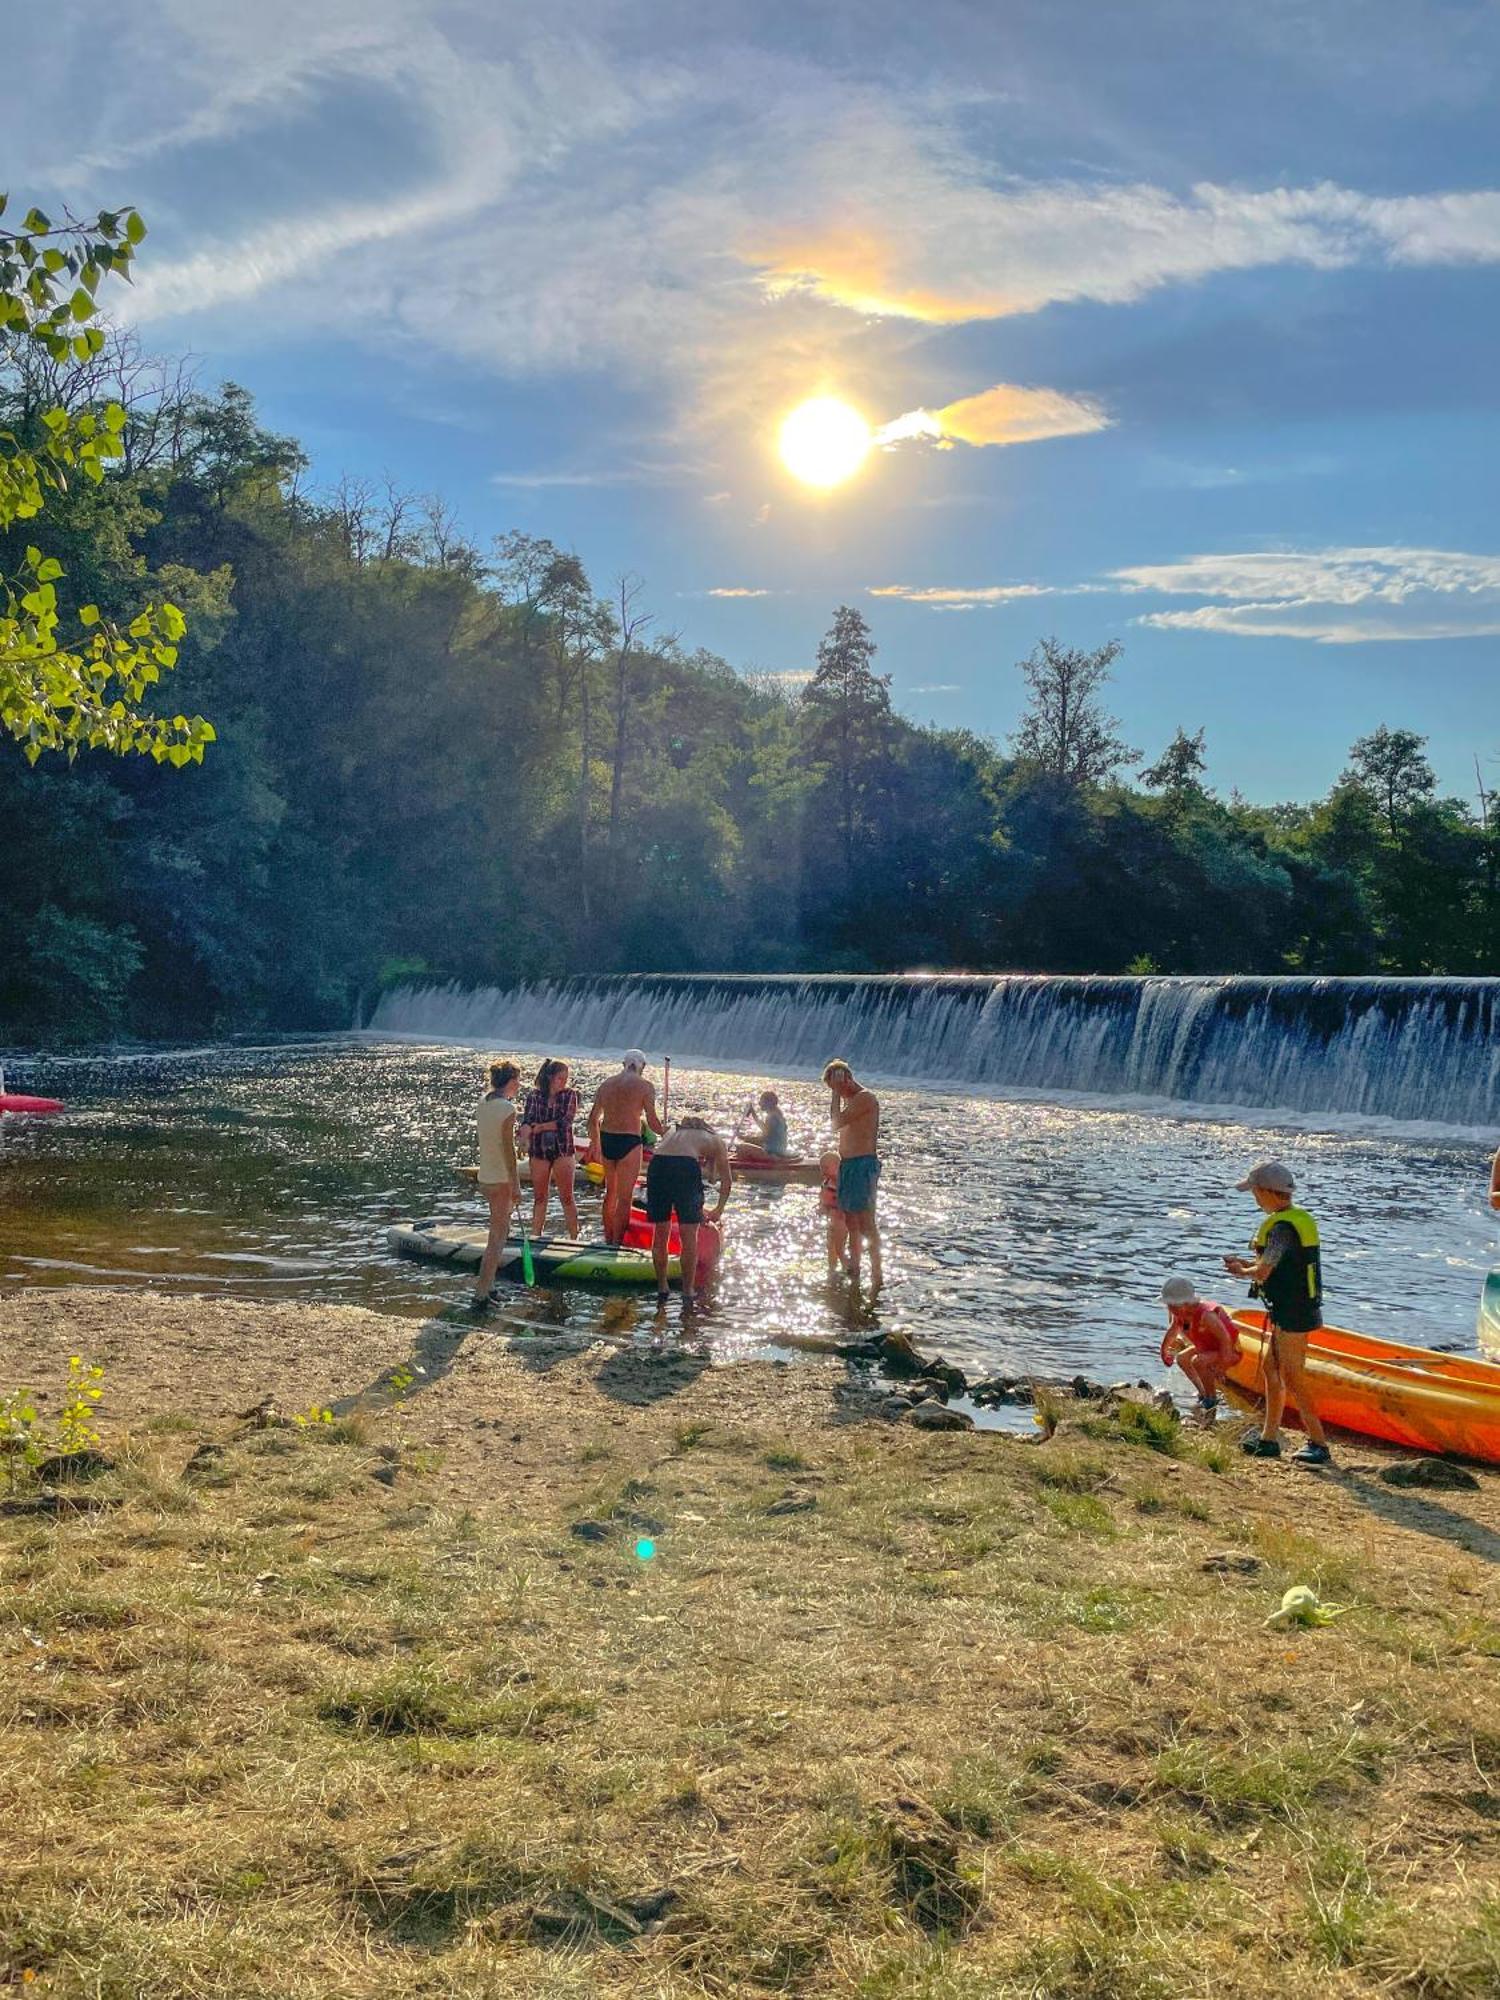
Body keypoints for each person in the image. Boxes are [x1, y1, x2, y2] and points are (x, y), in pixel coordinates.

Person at [1222, 1160, 1331, 1465]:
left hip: (1294, 1314)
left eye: (1254, 1192)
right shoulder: (1291, 1222)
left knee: (1294, 1376)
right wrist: (1246, 1267)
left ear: (1267, 1192)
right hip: (1291, 1309)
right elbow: (1271, 1266)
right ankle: (1269, 1439)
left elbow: (1265, 1271)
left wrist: (1242, 1271)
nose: (1254, 1199)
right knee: (1272, 1370)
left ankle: (1318, 1443)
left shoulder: (1282, 1228)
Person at [645, 1113, 731, 1305]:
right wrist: (719, 1209)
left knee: (661, 1232)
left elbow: (708, 1174)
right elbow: (726, 1181)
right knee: (689, 1234)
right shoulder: (716, 1141)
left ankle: (662, 1287)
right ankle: (687, 1290)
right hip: (684, 1167)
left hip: (657, 1164)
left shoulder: (673, 1131)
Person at [587, 1050, 663, 1246]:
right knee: (625, 1197)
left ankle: (607, 1237)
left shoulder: (606, 1085)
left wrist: (595, 1144)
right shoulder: (646, 1087)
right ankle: (617, 1242)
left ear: (623, 1064)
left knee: (610, 1192)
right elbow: (653, 1123)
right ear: (642, 1067)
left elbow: (593, 1119)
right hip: (629, 1141)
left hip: (607, 1139)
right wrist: (670, 1132)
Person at [824, 1059, 882, 1290]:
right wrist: (837, 1093)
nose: (837, 1093)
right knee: (850, 1219)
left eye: (837, 1086)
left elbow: (836, 1123)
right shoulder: (851, 1101)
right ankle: (855, 1267)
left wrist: (837, 1094)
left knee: (866, 1221)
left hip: (862, 1164)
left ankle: (877, 1272)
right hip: (848, 1165)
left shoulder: (865, 1098)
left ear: (846, 1078)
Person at [472, 1060, 523, 1306]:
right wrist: (515, 1184)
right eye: (517, 1081)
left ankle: (489, 1287)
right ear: (510, 1082)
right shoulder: (507, 1109)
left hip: (485, 1176)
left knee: (498, 1233)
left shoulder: (483, 1103)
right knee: (498, 1238)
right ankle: (482, 1293)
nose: (519, 1085)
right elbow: (508, 1150)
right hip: (501, 1178)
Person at [519, 1057, 581, 1240]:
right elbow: (528, 1119)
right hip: (539, 1149)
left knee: (567, 1197)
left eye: (566, 1078)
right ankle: (535, 1235)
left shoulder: (570, 1095)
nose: (564, 1082)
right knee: (540, 1196)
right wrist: (524, 1131)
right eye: (560, 1078)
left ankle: (574, 1236)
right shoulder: (534, 1096)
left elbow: (565, 1122)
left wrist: (540, 1127)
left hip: (563, 1148)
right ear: (550, 1078)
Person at [1158, 1277, 1240, 1411]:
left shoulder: (1206, 1315)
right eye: (1168, 1305)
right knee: (1182, 1358)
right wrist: (1164, 1350)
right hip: (1207, 1348)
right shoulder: (1180, 1314)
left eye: (1173, 1305)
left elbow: (1225, 1339)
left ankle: (1212, 1398)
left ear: (1186, 1303)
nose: (1170, 1309)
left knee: (1198, 1361)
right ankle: (1203, 1392)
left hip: (1231, 1351)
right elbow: (1173, 1330)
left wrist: (1222, 1366)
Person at [819, 1149, 851, 1277]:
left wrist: (833, 1207)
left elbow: (846, 1202)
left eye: (826, 1167)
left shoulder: (842, 1184)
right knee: (830, 1247)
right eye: (821, 1168)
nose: (823, 1171)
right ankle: (832, 1270)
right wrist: (821, 1206)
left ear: (838, 1167)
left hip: (841, 1221)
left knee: (839, 1248)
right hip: (832, 1220)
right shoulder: (827, 1182)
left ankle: (848, 1268)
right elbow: (823, 1196)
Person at [737, 1090, 790, 1162]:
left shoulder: (771, 1117)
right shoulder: (777, 1114)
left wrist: (745, 1138)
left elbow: (764, 1138)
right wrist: (753, 1113)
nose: (759, 1103)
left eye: (761, 1101)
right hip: (777, 1150)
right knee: (750, 1144)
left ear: (769, 1103)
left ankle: (751, 1170)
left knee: (741, 1147)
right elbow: (765, 1129)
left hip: (774, 1154)